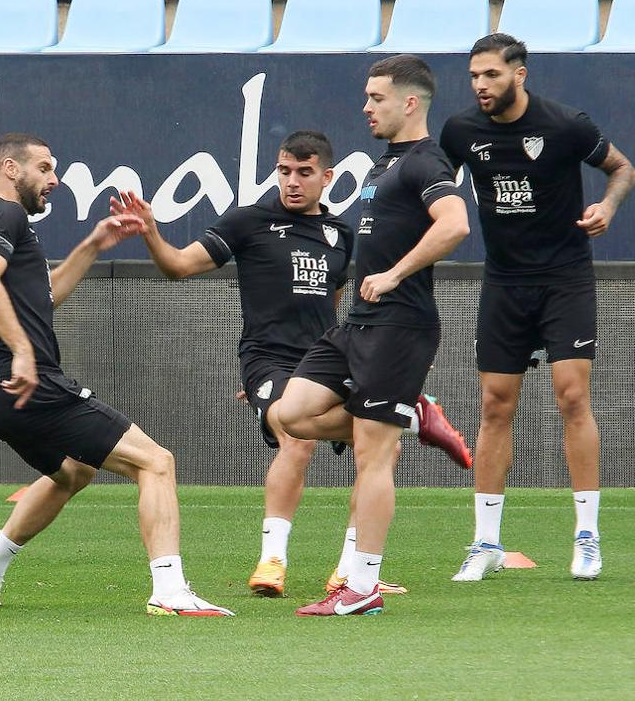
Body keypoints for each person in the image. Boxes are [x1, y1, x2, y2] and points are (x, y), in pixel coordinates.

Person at [112, 132, 466, 599]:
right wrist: (153, 232)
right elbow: (178, 266)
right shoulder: (248, 221)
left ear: (328, 177)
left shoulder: (341, 234)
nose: (292, 181)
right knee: (296, 437)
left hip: (324, 357)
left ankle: (349, 571)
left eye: (304, 172)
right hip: (268, 360)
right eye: (284, 171)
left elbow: (335, 303)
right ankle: (272, 558)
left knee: (379, 448)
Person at [0, 133, 233, 617]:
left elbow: (42, 298)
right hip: (31, 381)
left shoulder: (6, 222)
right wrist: (22, 350)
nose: (54, 179)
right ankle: (169, 591)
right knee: (156, 462)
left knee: (72, 472)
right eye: (44, 168)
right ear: (10, 169)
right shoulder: (4, 214)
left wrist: (92, 245)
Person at [277, 56, 471, 617]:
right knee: (291, 414)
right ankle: (413, 415)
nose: (366, 106)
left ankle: (362, 588)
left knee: (372, 454)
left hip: (398, 326)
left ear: (409, 103)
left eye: (376, 98)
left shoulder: (426, 161)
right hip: (354, 327)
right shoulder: (384, 163)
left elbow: (455, 224)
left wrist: (394, 273)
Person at [440, 34, 633, 582]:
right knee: (495, 405)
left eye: (491, 75)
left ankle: (588, 536)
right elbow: (433, 183)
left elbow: (622, 169)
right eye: (474, 76)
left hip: (565, 279)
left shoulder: (566, 124)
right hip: (503, 282)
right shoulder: (460, 131)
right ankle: (485, 543)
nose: (481, 85)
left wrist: (608, 207)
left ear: (519, 75)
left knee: (573, 396)